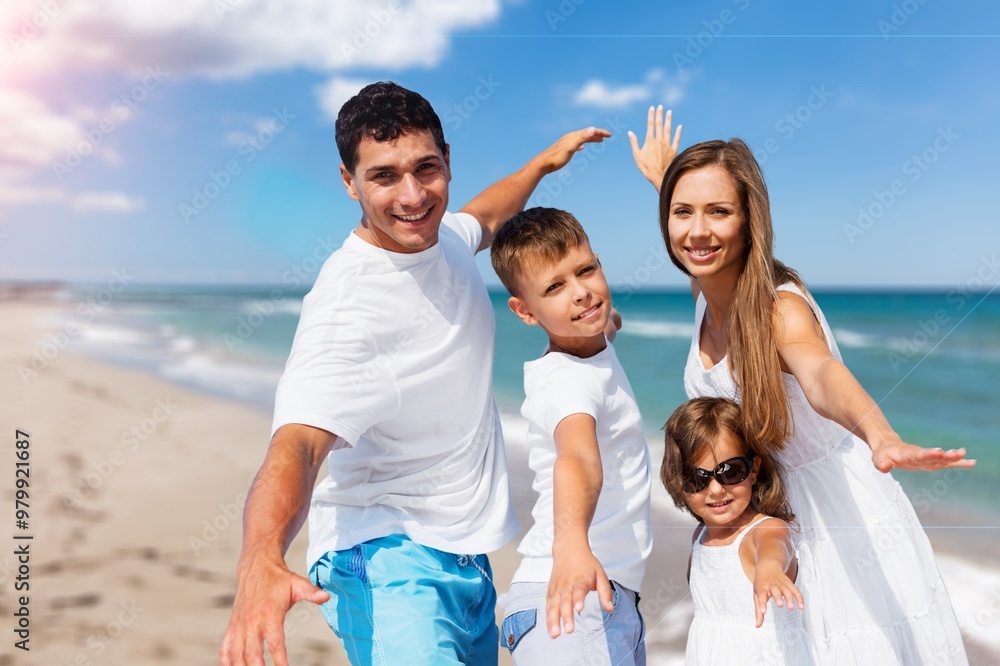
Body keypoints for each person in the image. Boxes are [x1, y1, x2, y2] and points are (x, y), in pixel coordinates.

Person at [219, 81, 611, 666]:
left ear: (447, 161)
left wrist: (543, 163)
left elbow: (489, 212)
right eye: (383, 177)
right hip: (385, 556)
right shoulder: (347, 305)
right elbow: (297, 444)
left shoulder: (444, 235)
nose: (412, 195)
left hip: (467, 554)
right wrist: (260, 559)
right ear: (349, 181)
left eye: (426, 169)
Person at [630, 121, 975, 663]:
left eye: (719, 211)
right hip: (770, 509)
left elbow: (819, 374)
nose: (698, 230)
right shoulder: (710, 290)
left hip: (835, 512)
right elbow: (698, 250)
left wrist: (880, 435)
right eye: (682, 211)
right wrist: (664, 178)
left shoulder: (777, 307)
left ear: (750, 221)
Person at [489, 208, 651, 665]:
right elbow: (577, 458)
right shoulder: (568, 382)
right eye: (554, 288)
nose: (580, 293)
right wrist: (572, 544)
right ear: (524, 311)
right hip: (571, 591)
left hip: (603, 594)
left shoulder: (592, 348)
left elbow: (607, 321)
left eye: (586, 271)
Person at [662, 396, 816, 665]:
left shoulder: (763, 529)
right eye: (697, 478)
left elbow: (775, 545)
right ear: (678, 481)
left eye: (730, 471)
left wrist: (769, 571)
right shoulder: (700, 538)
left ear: (754, 469)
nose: (716, 489)